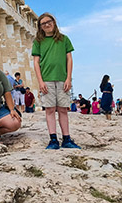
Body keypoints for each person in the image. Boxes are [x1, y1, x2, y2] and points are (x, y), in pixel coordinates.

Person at [32, 13, 80, 149]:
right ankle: (53, 139)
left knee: (63, 109)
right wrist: (40, 82)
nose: (47, 24)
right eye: (43, 23)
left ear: (54, 22)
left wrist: (68, 78)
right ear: (40, 27)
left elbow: (69, 59)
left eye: (49, 21)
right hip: (46, 79)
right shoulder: (38, 42)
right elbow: (36, 62)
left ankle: (66, 138)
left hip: (62, 78)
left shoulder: (64, 39)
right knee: (50, 110)